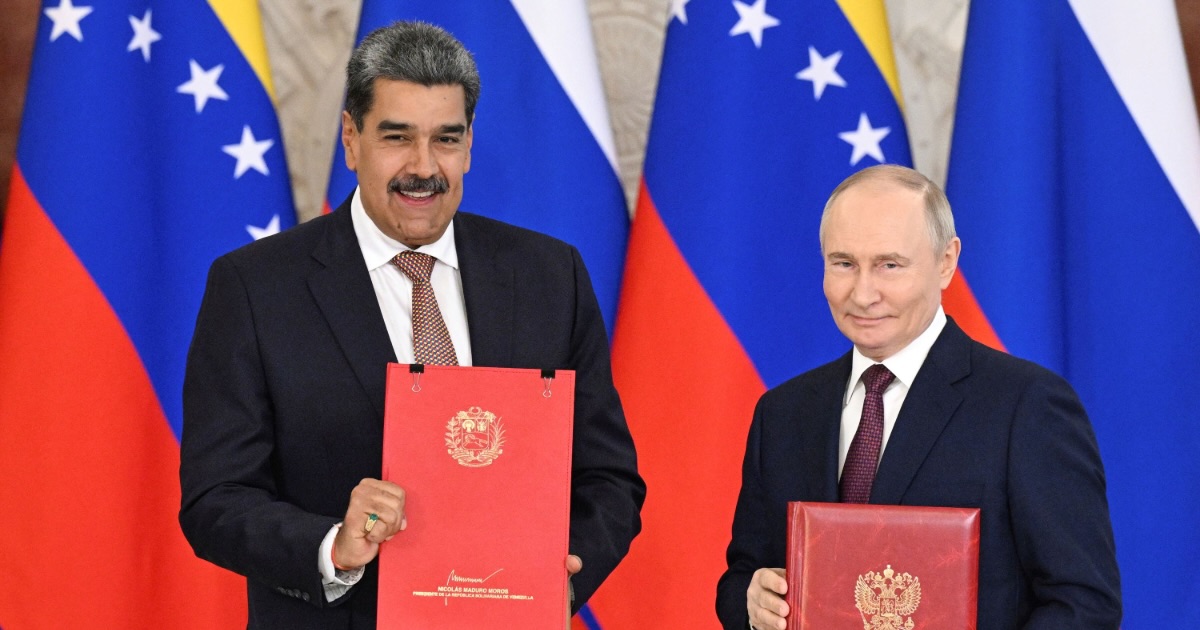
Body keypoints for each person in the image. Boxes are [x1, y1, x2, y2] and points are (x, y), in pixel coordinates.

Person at [179, 21, 644, 628]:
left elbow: (608, 478)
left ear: (470, 144)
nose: (423, 167)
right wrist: (331, 545)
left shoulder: (550, 277)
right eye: (397, 137)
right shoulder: (255, 287)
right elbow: (216, 498)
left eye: (445, 139)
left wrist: (556, 580)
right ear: (351, 139)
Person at [716, 164, 1121, 630]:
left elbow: (1084, 604)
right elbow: (741, 577)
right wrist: (752, 602)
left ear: (946, 261)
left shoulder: (1028, 406)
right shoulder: (783, 413)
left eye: (889, 265)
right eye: (844, 264)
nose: (863, 293)